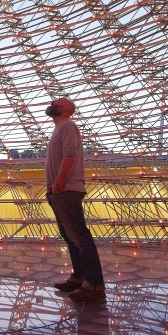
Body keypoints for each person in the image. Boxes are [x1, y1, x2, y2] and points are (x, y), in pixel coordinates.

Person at [45, 97, 105, 302]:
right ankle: (79, 277)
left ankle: (94, 284)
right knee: (71, 237)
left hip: (67, 189)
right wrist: (52, 187)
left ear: (65, 108)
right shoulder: (59, 128)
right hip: (60, 190)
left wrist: (59, 184)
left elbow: (69, 156)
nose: (51, 103)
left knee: (79, 237)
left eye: (55, 102)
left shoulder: (68, 125)